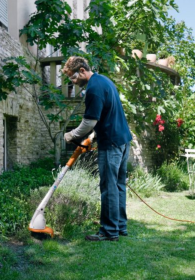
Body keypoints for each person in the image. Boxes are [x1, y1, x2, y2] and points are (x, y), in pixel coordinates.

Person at [60, 56, 135, 241]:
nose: (73, 82)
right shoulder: (104, 81)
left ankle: (109, 231)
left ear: (83, 70)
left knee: (108, 187)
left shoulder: (93, 89)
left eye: (74, 78)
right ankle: (120, 227)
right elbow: (108, 113)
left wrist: (72, 135)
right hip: (122, 140)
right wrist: (94, 136)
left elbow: (89, 122)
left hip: (111, 144)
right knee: (118, 185)